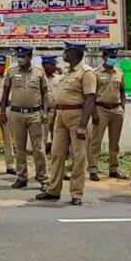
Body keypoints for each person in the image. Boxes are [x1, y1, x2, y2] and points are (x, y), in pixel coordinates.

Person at [36, 42, 95, 206]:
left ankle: (76, 193)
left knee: (78, 156)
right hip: (61, 115)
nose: (65, 53)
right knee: (57, 153)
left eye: (68, 51)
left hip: (77, 115)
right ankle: (53, 189)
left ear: (75, 53)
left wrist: (83, 126)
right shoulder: (67, 71)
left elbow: (90, 100)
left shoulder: (86, 72)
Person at [2, 46, 48, 189]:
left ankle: (42, 177)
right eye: (19, 56)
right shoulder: (11, 72)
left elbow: (44, 93)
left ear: (30, 57)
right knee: (19, 147)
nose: (20, 59)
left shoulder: (39, 72)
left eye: (23, 56)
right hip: (16, 113)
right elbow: (5, 92)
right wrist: (2, 112)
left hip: (34, 114)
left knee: (38, 148)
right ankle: (22, 176)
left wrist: (45, 112)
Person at [87, 46, 127, 181]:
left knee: (115, 142)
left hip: (116, 110)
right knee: (96, 141)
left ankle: (114, 169)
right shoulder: (95, 73)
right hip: (101, 109)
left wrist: (122, 108)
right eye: (110, 57)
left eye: (114, 57)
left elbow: (122, 91)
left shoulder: (120, 73)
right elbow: (91, 95)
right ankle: (93, 169)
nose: (113, 59)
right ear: (103, 57)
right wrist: (94, 113)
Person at [0, 54, 15, 176]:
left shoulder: (9, 76)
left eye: (2, 65)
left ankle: (10, 165)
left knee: (8, 138)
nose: (1, 67)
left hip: (7, 108)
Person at [40, 55, 61, 155]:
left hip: (56, 111)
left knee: (57, 136)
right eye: (52, 65)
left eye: (55, 64)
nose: (55, 67)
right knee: (42, 137)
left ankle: (55, 157)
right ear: (45, 65)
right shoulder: (39, 77)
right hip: (43, 111)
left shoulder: (58, 78)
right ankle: (42, 157)